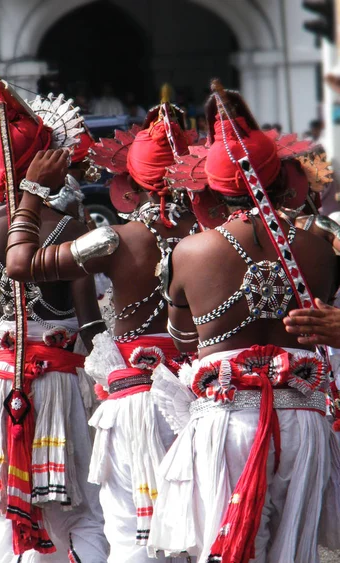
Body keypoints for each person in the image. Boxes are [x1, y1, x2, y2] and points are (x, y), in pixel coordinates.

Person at [147, 84, 340, 562]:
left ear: (210, 187)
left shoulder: (190, 251)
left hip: (228, 424)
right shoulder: (321, 243)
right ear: (280, 177)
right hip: (305, 423)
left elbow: (182, 339)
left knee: (230, 549)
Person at [4, 93, 198, 562]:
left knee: (135, 530)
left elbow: (19, 263)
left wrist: (30, 194)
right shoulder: (214, 242)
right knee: (198, 526)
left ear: (128, 191)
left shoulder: (114, 241)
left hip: (137, 403)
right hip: (205, 401)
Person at [0, 81, 109, 562]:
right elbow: (90, 329)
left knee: (10, 509)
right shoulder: (72, 229)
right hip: (61, 387)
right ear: (46, 165)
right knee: (83, 511)